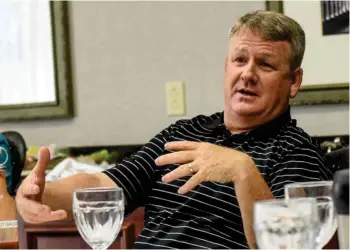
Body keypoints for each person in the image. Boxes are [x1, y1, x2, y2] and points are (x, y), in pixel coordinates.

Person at [16, 10, 334, 249]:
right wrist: (39, 192)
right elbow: (102, 184)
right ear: (226, 68)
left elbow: (287, 245)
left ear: (294, 81)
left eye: (265, 64)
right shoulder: (183, 132)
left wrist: (243, 172)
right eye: (239, 60)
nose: (247, 74)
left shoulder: (299, 151)